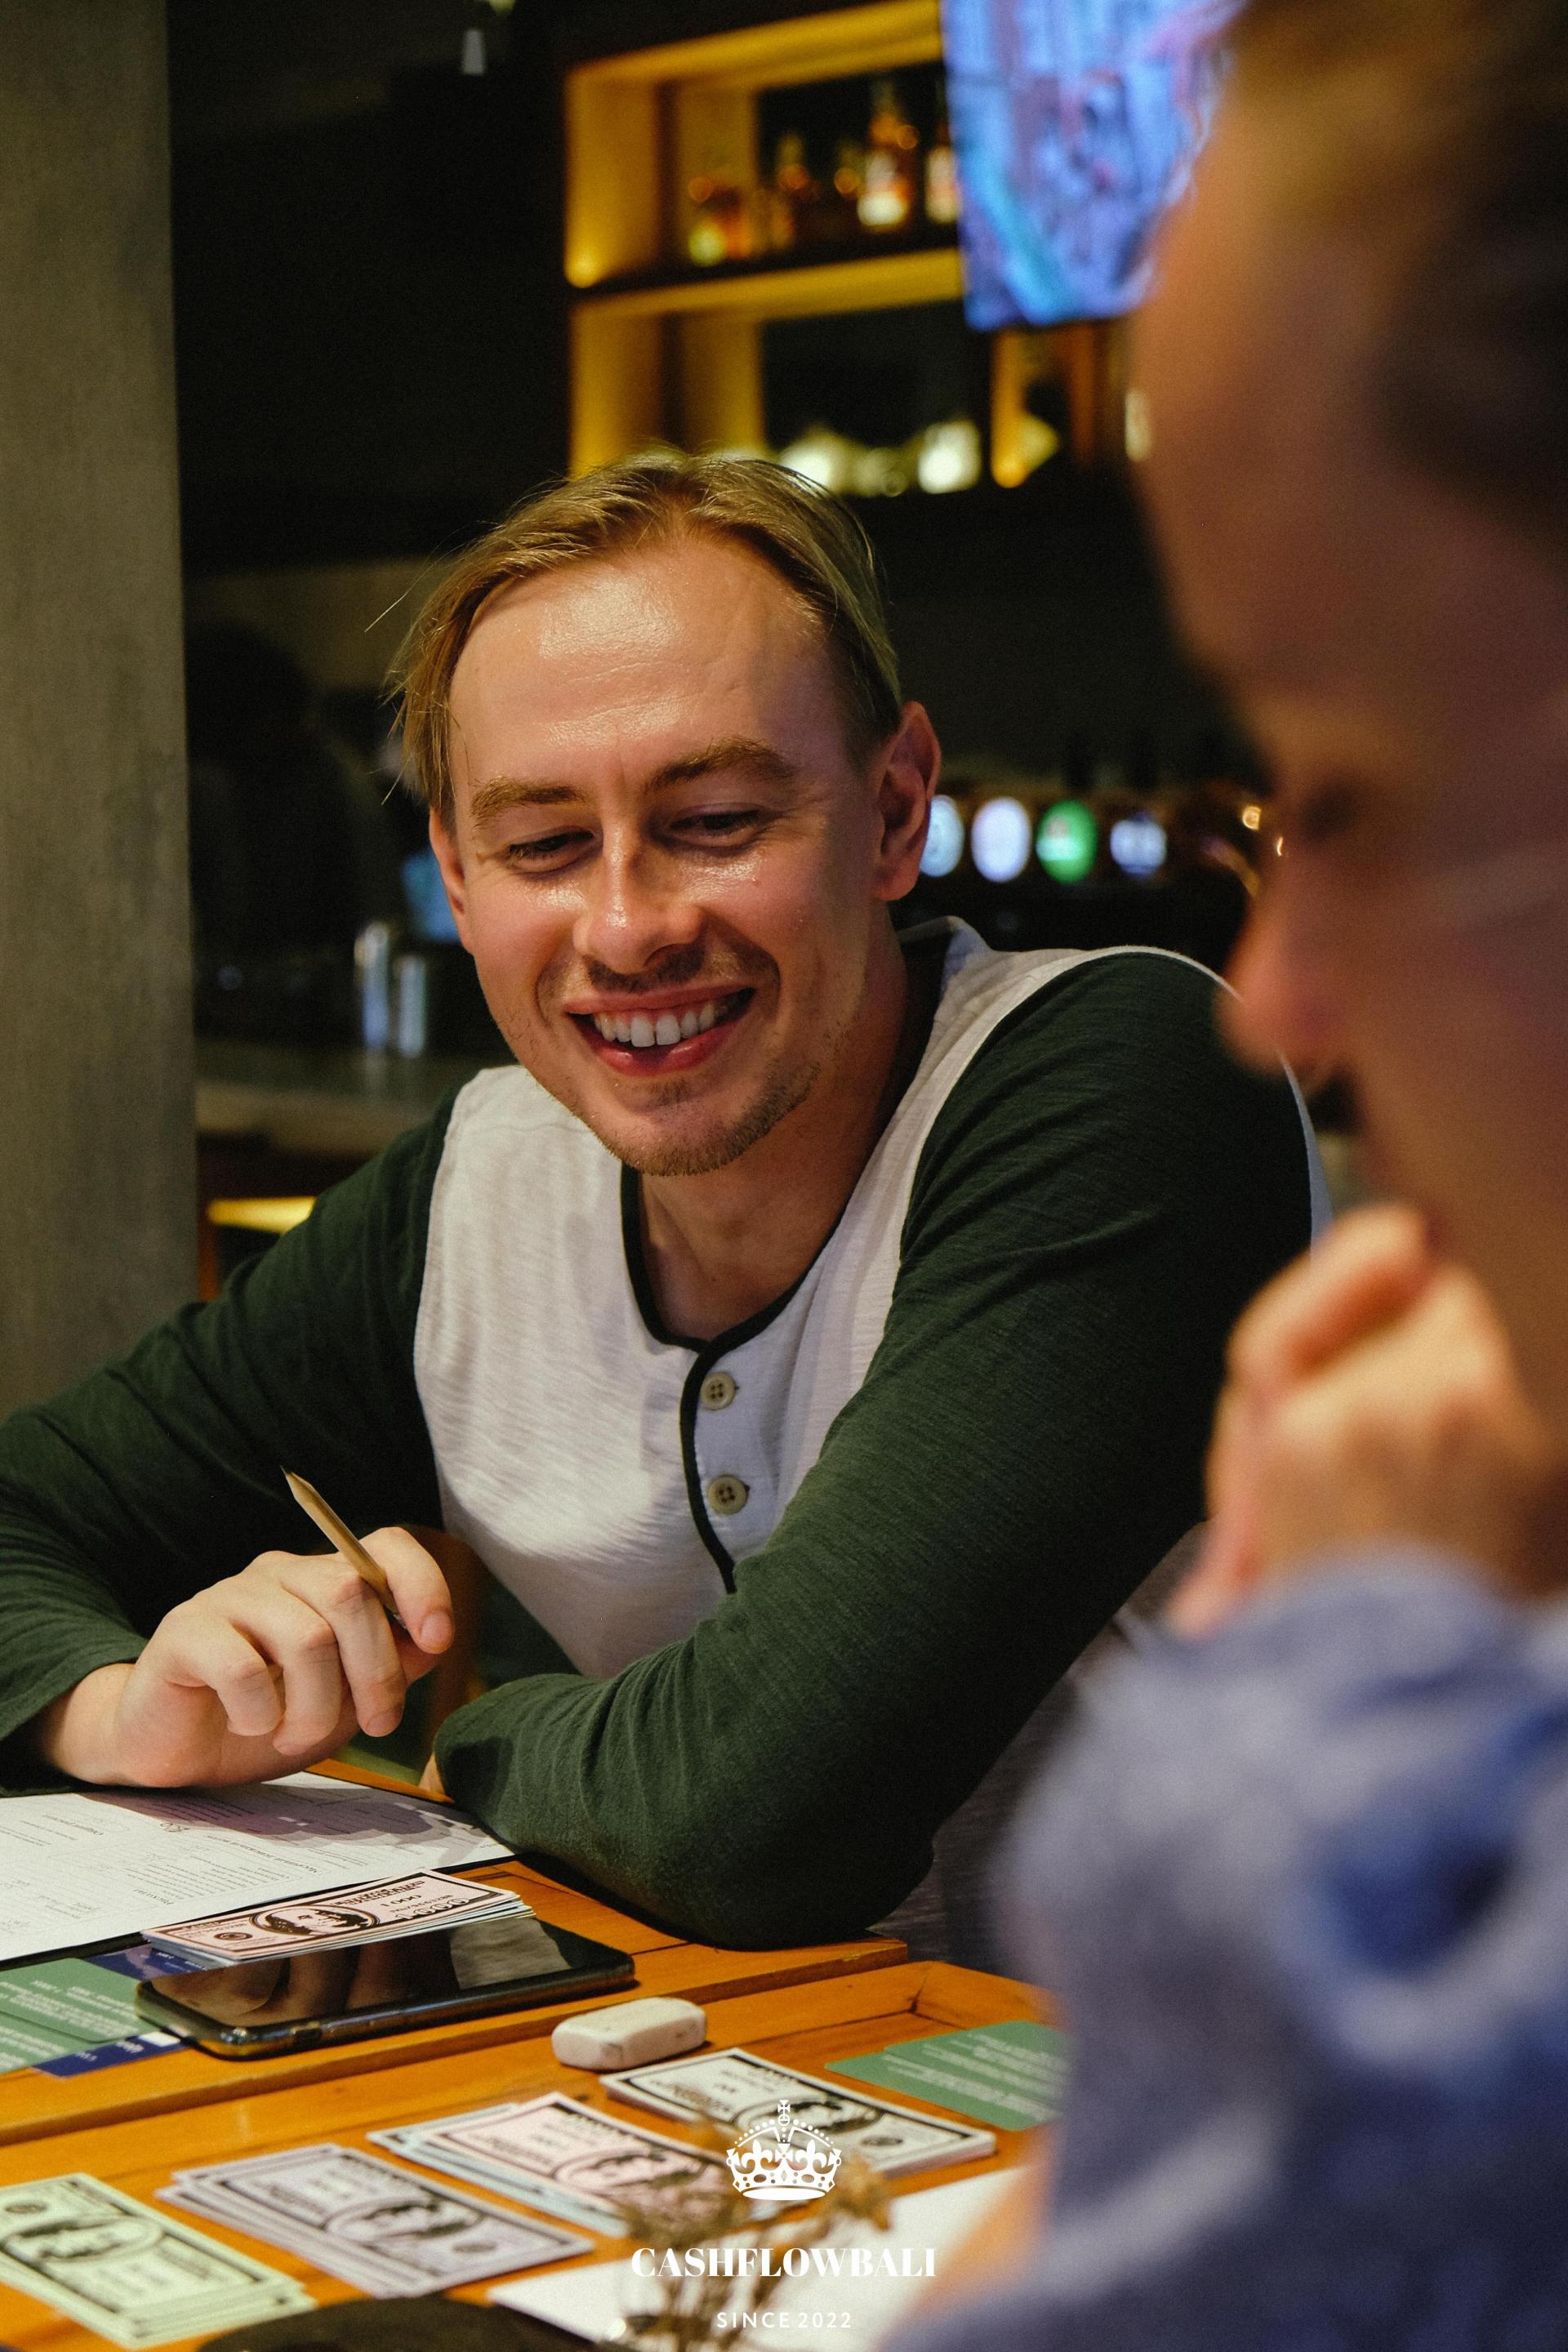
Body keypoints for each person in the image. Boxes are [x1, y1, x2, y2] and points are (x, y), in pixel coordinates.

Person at [0, 457, 1317, 1953]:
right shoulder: (481, 1190)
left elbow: (757, 1814)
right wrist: (112, 1711)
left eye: (717, 818)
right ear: (457, 875)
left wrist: (470, 1749)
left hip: (1253, 2085)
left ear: (894, 810)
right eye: (543, 845)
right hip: (796, 2074)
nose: (628, 929)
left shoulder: (1127, 1080)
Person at [894, 0, 1568, 2342]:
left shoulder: (1092, 1086)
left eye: (1346, 794)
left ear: (890, 812)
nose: (1274, 1001)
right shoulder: (473, 1173)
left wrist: (1345, 1692)